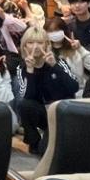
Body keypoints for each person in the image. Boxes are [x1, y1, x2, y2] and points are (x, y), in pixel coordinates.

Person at [14, 27, 79, 155]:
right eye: (30, 43)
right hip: (42, 112)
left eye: (40, 42)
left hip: (61, 111)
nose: (35, 47)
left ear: (47, 44)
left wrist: (54, 66)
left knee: (47, 151)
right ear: (24, 46)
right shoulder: (22, 68)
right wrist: (30, 71)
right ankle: (33, 141)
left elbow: (74, 87)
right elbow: (27, 97)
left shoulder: (59, 62)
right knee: (24, 105)